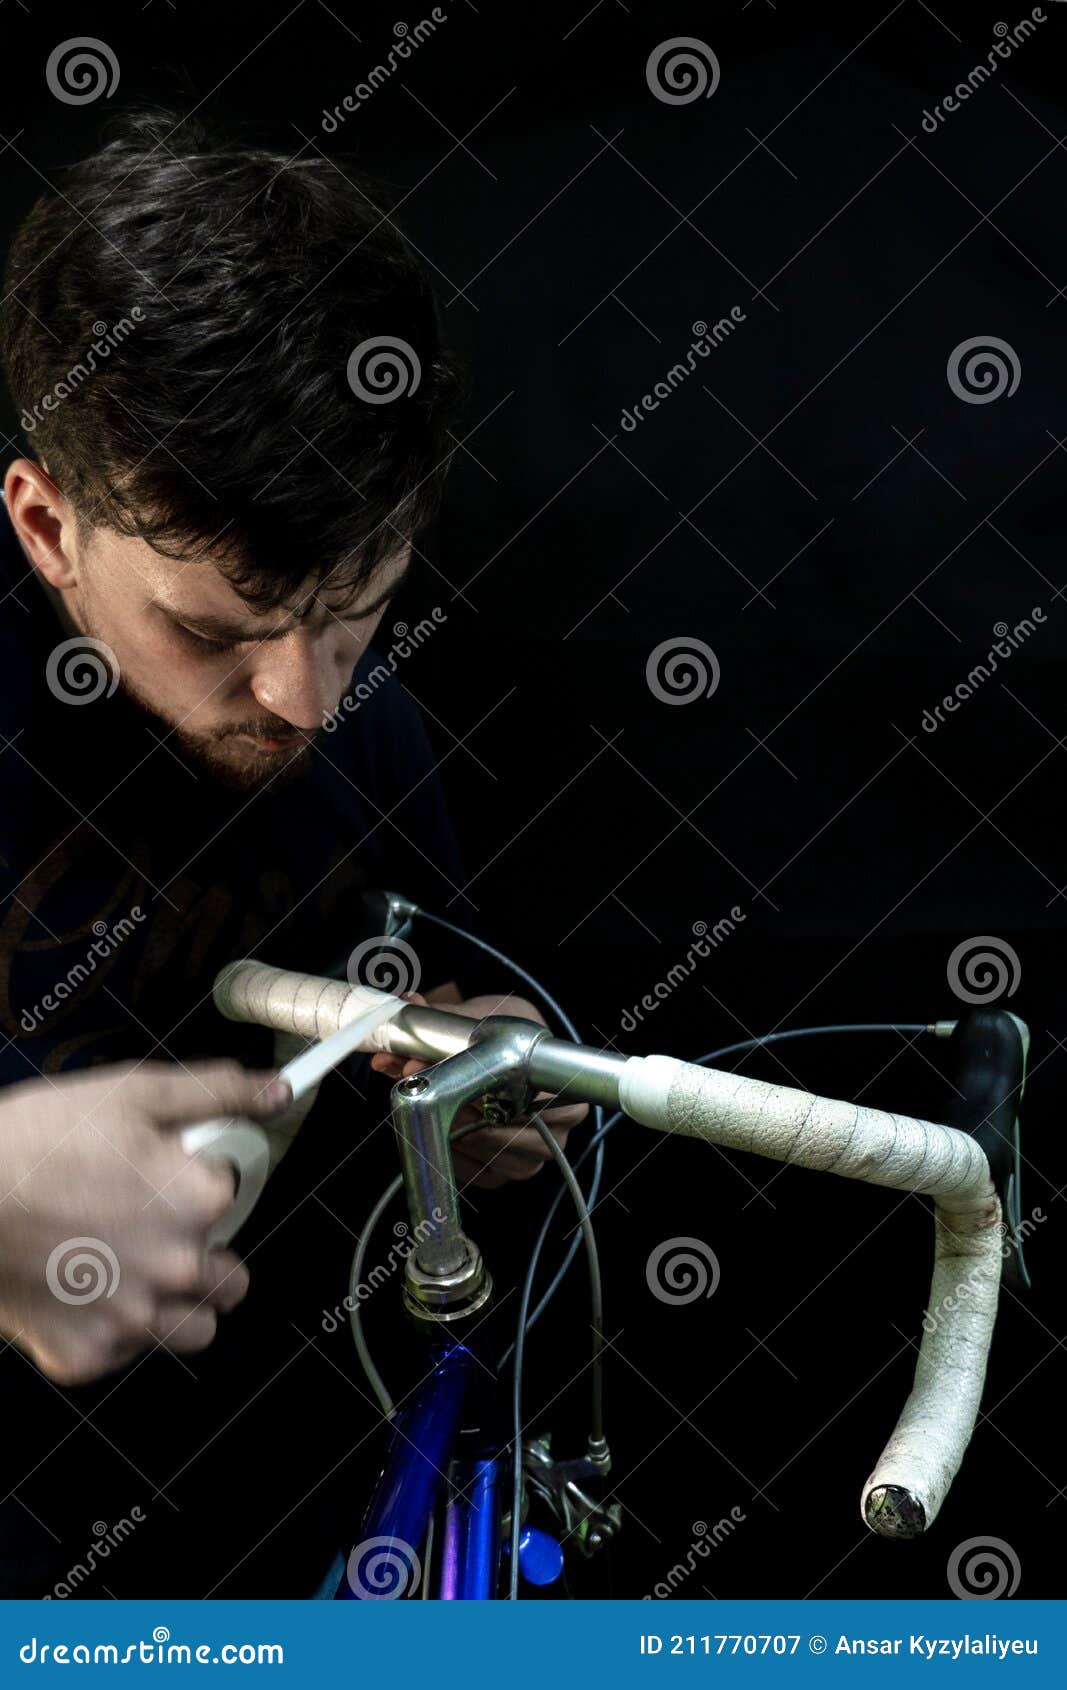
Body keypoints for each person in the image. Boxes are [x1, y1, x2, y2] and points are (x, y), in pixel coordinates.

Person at [0, 104, 585, 1596]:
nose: (303, 703)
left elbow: (445, 986)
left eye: (357, 608)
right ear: (47, 525)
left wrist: (487, 1078)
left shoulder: (361, 728)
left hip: (287, 1542)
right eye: (213, 633)